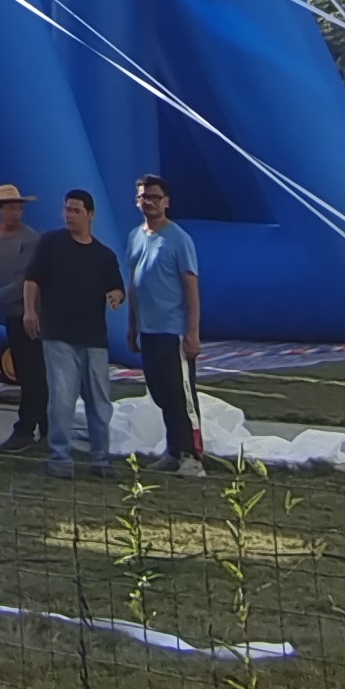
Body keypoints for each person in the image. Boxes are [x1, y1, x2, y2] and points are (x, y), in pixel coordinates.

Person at [21, 187, 128, 477]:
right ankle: (60, 457)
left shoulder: (103, 255)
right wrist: (30, 311)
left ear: (90, 215)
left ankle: (101, 460)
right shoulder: (51, 243)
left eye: (76, 210)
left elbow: (117, 286)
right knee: (62, 398)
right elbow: (32, 279)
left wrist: (117, 296)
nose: (69, 215)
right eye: (66, 209)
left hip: (94, 338)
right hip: (58, 335)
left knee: (99, 401)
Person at [124, 174, 207, 478]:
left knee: (180, 394)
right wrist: (132, 326)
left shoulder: (178, 239)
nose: (150, 202)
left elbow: (191, 287)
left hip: (173, 331)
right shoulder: (135, 236)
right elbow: (134, 285)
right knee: (160, 392)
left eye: (155, 197)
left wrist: (193, 332)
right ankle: (173, 450)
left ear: (166, 201)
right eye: (144, 197)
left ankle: (192, 455)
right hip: (149, 330)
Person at [0, 184, 47, 448]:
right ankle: (37, 422)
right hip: (10, 314)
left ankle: (30, 426)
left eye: (19, 208)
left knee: (33, 372)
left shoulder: (30, 239)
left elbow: (27, 279)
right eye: (11, 208)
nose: (16, 213)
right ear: (0, 210)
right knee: (25, 371)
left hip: (31, 313)